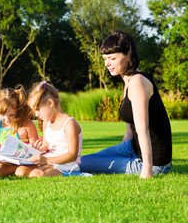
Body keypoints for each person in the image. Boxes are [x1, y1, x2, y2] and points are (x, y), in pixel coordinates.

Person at [79, 30, 172, 179]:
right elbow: (130, 128)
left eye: (112, 58)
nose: (107, 63)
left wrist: (147, 169)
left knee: (81, 164)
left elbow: (142, 129)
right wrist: (121, 151)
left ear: (128, 54)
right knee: (80, 161)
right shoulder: (128, 80)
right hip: (133, 148)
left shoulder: (137, 82)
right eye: (105, 58)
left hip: (154, 163)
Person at [15, 81, 92, 178]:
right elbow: (46, 145)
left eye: (38, 109)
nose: (36, 114)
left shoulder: (69, 124)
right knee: (20, 171)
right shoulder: (46, 122)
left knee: (37, 174)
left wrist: (46, 161)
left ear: (50, 103)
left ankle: (77, 175)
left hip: (66, 164)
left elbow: (72, 155)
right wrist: (40, 149)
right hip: (49, 159)